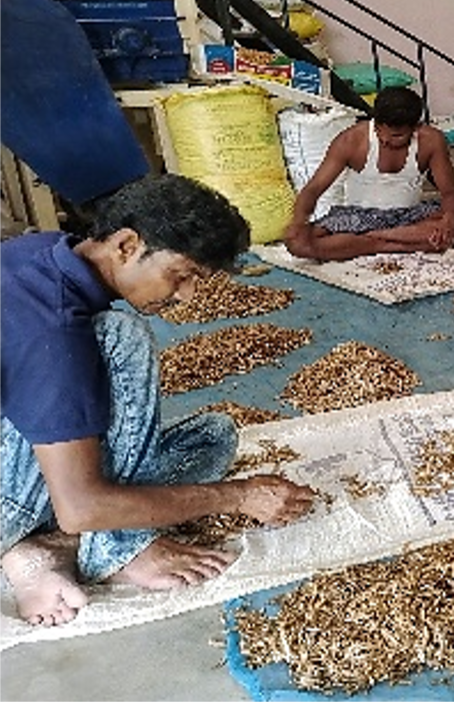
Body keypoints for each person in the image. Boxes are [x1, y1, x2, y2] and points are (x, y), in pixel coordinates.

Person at [1, 174, 317, 627]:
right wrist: (239, 496)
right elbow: (79, 508)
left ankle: (44, 546)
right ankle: (117, 549)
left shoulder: (46, 251)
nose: (186, 296)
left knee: (213, 439)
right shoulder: (54, 329)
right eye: (180, 276)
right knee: (120, 337)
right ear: (126, 245)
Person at [284, 84, 454, 261]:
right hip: (358, 217)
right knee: (298, 243)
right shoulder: (351, 140)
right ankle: (397, 245)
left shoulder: (431, 140)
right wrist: (299, 222)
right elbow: (314, 188)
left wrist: (448, 222)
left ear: (415, 128)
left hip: (408, 216)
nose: (385, 140)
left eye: (397, 136)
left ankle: (369, 243)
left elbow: (450, 193)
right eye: (379, 131)